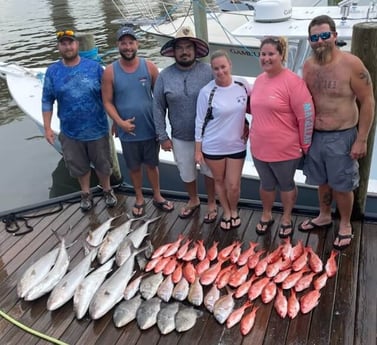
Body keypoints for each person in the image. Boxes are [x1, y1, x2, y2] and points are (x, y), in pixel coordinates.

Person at [299, 15, 375, 250]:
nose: (319, 41)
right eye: (314, 37)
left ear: (334, 36)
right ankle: (323, 215)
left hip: (342, 136)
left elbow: (368, 101)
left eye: (324, 35)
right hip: (316, 135)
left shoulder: (352, 65)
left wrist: (361, 139)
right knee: (321, 181)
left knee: (342, 185)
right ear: (310, 40)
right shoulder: (308, 66)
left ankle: (345, 224)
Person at [102, 26, 174, 217]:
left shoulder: (149, 67)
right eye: (123, 43)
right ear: (118, 45)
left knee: (152, 164)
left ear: (137, 44)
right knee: (133, 167)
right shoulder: (110, 71)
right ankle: (140, 198)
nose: (127, 47)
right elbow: (107, 102)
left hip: (150, 127)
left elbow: (160, 98)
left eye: (131, 42)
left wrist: (163, 128)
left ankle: (158, 196)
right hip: (128, 131)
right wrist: (118, 121)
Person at [42, 29, 117, 212]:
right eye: (64, 43)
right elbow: (47, 100)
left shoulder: (94, 68)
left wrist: (116, 120)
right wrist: (47, 128)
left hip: (97, 128)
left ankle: (106, 189)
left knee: (103, 163)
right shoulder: (52, 71)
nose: (68, 46)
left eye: (71, 42)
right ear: (59, 47)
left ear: (77, 45)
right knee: (79, 166)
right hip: (70, 131)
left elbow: (109, 96)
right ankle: (85, 193)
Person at [249, 37, 315, 238]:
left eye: (271, 54)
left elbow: (307, 114)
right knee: (266, 184)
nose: (266, 58)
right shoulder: (259, 80)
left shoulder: (293, 82)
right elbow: (253, 110)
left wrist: (305, 145)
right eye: (263, 54)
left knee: (286, 185)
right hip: (259, 147)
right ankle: (267, 214)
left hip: (285, 149)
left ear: (281, 56)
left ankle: (286, 217)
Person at [153, 26, 217, 222]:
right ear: (174, 51)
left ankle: (213, 204)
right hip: (180, 135)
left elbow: (224, 97)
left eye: (188, 46)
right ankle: (193, 200)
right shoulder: (164, 75)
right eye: (180, 47)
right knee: (186, 171)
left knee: (209, 172)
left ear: (195, 50)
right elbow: (157, 106)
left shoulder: (209, 71)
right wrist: (162, 136)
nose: (184, 51)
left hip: (209, 135)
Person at [195, 50, 250, 230]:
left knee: (233, 185)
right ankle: (226, 212)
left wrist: (247, 124)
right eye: (216, 68)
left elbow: (250, 107)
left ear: (230, 66)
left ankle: (234, 209)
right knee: (219, 181)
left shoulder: (243, 84)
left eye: (223, 67)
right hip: (213, 147)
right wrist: (198, 150)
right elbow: (199, 121)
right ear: (212, 70)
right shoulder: (206, 92)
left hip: (237, 144)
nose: (220, 71)